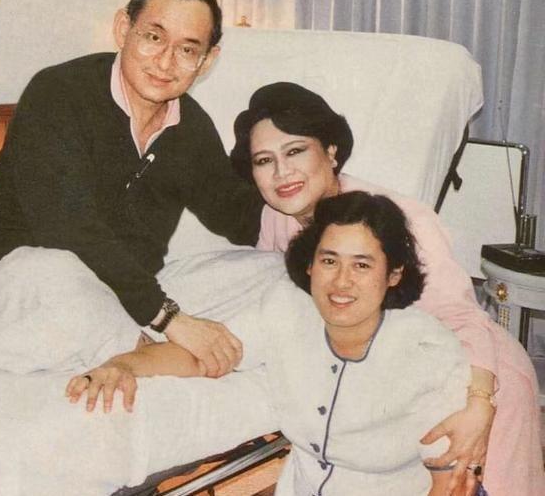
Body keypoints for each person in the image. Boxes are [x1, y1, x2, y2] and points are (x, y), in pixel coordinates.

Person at [227, 81, 544, 496]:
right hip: (398, 375)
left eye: (295, 151)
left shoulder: (399, 219)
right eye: (264, 160)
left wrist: (481, 403)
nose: (281, 173)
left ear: (331, 151)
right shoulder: (278, 217)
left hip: (477, 372)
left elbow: (462, 318)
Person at [67, 192, 478, 495]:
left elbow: (450, 483)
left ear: (393, 274)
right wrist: (124, 365)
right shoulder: (285, 310)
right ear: (310, 264)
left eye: (362, 265)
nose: (341, 282)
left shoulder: (426, 351)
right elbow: (203, 356)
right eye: (329, 260)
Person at [0, 0, 263, 377]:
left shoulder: (192, 128)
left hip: (124, 295)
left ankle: (132, 351)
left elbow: (234, 212)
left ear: (207, 60)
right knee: (55, 269)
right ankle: (139, 354)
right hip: (29, 280)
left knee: (267, 272)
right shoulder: (59, 93)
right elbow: (69, 228)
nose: (165, 62)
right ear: (123, 29)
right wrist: (169, 318)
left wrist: (310, 212)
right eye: (153, 37)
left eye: (187, 50)